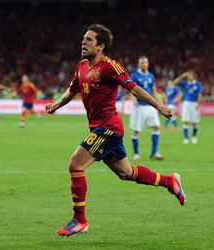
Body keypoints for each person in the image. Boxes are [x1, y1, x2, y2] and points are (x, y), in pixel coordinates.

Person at [46, 24, 186, 237]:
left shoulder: (110, 66)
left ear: (101, 46)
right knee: (126, 173)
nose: (83, 42)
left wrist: (159, 106)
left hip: (108, 128)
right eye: (83, 38)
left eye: (89, 40)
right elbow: (71, 90)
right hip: (100, 128)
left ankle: (79, 220)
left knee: (75, 165)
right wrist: (56, 105)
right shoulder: (82, 66)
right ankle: (170, 181)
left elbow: (134, 88)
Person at [130, 56, 164, 161]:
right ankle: (136, 154)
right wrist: (133, 99)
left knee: (157, 127)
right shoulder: (134, 76)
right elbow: (130, 89)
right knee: (136, 131)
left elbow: (153, 91)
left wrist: (160, 104)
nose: (143, 64)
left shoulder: (151, 76)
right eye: (141, 63)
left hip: (150, 106)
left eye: (145, 62)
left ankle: (154, 153)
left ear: (148, 64)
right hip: (139, 107)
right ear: (138, 64)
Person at [172, 70, 203, 144]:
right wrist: (182, 76)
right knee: (185, 121)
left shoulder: (198, 84)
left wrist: (198, 104)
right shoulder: (185, 83)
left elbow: (199, 95)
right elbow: (174, 82)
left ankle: (194, 137)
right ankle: (186, 139)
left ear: (193, 76)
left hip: (195, 103)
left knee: (194, 122)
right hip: (186, 103)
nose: (188, 77)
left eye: (190, 75)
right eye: (187, 76)